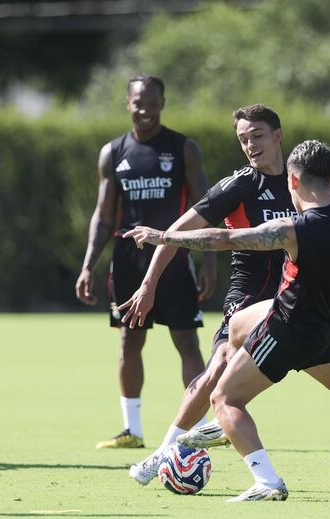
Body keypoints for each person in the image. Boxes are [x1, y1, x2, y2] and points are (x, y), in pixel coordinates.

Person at [126, 139, 330, 502]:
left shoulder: (293, 229)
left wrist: (164, 236)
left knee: (225, 399)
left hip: (287, 328)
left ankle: (266, 480)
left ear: (292, 182)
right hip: (321, 327)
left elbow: (225, 238)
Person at [75, 75, 215, 449]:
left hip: (174, 256)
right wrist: (89, 264)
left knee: (186, 341)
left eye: (152, 103)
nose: (145, 110)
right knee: (129, 340)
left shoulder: (184, 149)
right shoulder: (113, 152)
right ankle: (132, 430)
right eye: (139, 103)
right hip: (128, 261)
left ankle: (198, 428)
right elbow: (104, 216)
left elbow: (206, 208)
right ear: (128, 104)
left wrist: (209, 262)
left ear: (162, 103)